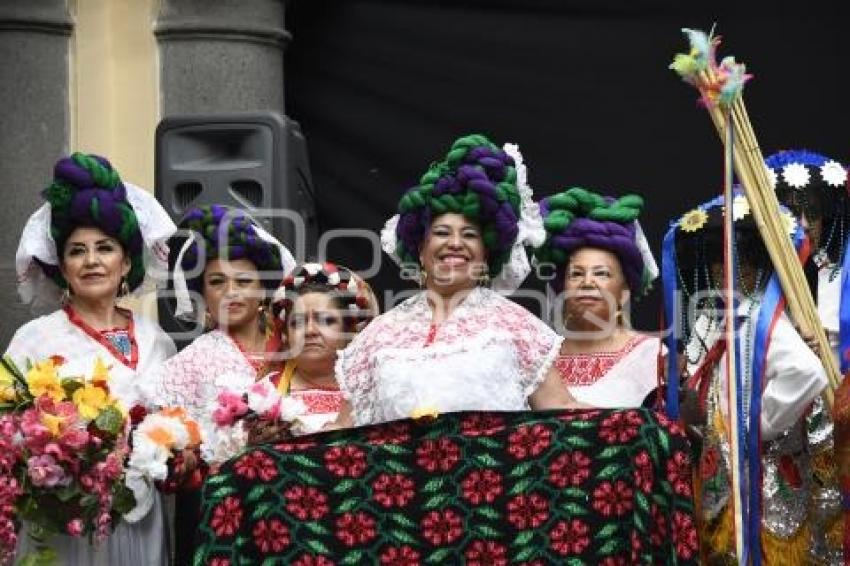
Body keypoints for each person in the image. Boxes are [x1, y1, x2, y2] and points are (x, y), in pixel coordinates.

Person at [333, 134, 584, 428]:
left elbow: (562, 408)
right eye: (441, 233)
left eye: (469, 235)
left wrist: (635, 421)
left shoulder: (515, 324)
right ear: (420, 250)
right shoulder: (378, 335)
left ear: (485, 255)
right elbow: (341, 432)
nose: (455, 243)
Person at [6, 153, 177, 565]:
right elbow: (6, 427)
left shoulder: (157, 340)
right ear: (62, 269)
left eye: (105, 248)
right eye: (77, 251)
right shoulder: (35, 339)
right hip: (63, 523)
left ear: (127, 262)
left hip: (140, 518)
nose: (92, 260)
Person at [664, 191, 828, 563]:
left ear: (754, 267)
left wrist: (754, 426)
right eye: (717, 264)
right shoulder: (718, 318)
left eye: (733, 263)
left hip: (758, 483)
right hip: (723, 476)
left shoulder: (759, 318)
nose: (721, 273)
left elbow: (806, 372)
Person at [765, 149, 847, 564]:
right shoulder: (752, 281)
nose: (800, 223)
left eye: (810, 212)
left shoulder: (840, 277)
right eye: (787, 212)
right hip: (779, 442)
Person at [140, 204, 295, 420]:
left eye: (243, 281)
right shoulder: (191, 363)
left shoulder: (293, 346)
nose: (230, 292)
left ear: (263, 289)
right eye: (216, 282)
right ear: (202, 294)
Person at [533, 187, 661, 407]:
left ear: (624, 293)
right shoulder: (539, 359)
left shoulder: (651, 356)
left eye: (601, 273)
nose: (587, 282)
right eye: (576, 274)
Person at [260, 262, 377, 435]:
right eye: (298, 322)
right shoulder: (263, 394)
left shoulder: (373, 392)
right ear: (286, 335)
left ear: (349, 332)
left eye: (326, 321)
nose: (310, 331)